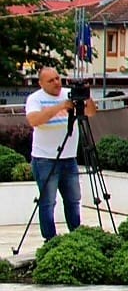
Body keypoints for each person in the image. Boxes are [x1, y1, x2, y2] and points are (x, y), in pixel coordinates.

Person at [24, 67, 96, 241]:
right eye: (51, 80)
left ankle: (76, 236)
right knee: (48, 202)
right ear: (41, 83)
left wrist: (86, 97)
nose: (56, 83)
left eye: (57, 78)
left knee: (73, 199)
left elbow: (91, 113)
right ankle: (50, 239)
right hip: (45, 159)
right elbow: (34, 120)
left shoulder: (69, 94)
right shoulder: (35, 98)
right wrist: (60, 107)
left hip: (69, 158)